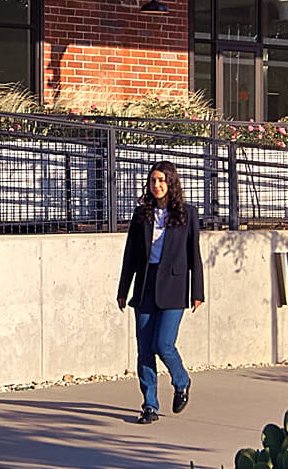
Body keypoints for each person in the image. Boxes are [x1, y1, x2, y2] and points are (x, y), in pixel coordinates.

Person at [114, 161, 204, 425]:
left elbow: (193, 256)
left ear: (171, 183)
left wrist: (197, 291)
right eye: (153, 180)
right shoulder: (141, 214)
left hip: (174, 288)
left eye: (162, 180)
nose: (157, 185)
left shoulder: (187, 214)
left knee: (163, 344)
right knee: (144, 350)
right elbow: (130, 255)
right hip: (145, 286)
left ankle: (182, 380)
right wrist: (123, 289)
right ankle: (150, 406)